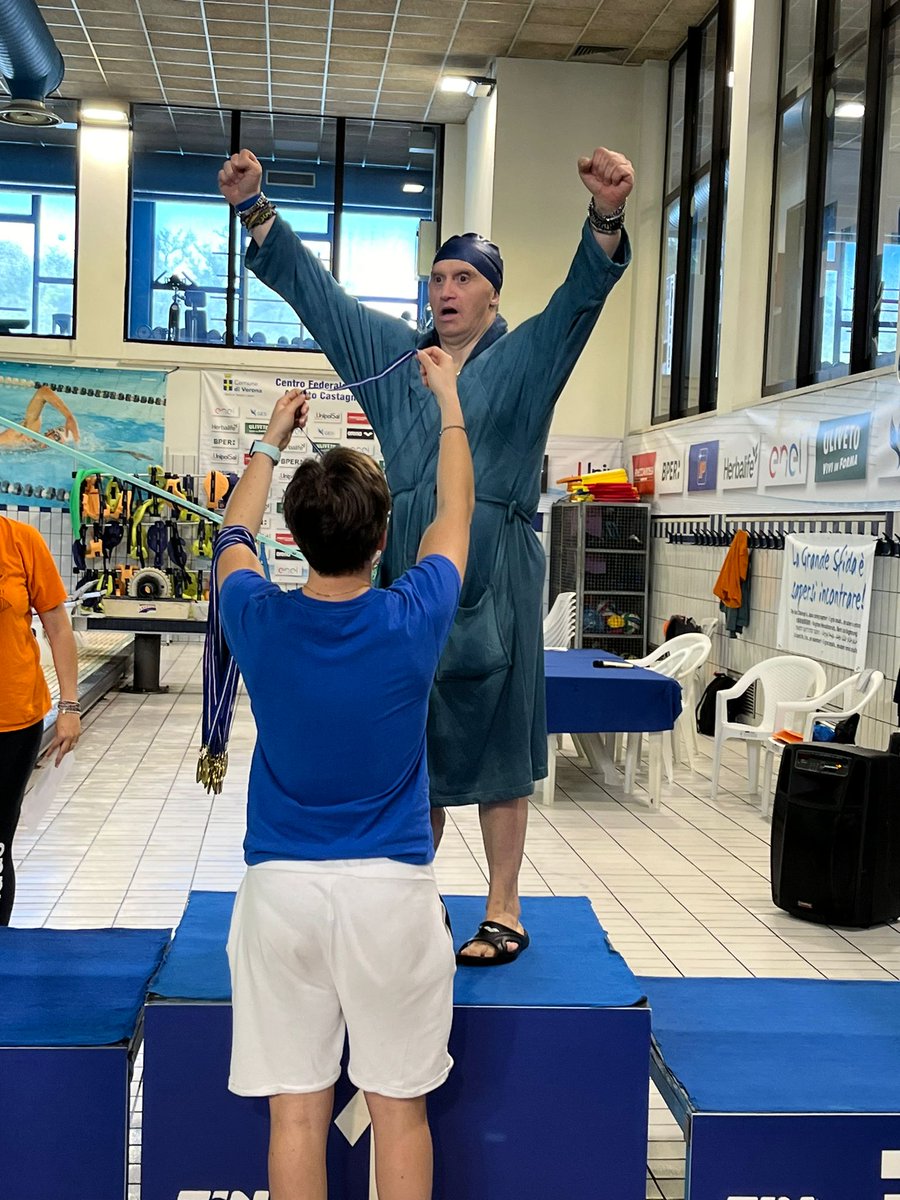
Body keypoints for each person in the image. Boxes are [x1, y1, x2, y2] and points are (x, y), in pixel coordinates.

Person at [219, 144, 633, 963]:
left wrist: (606, 218)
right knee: (418, 733)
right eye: (437, 279)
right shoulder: (398, 360)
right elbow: (323, 302)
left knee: (504, 741)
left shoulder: (525, 359)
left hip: (497, 565)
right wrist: (256, 209)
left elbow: (580, 301)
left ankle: (505, 905)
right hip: (413, 563)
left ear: (492, 293)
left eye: (463, 279)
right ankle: (413, 893)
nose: (445, 291)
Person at [216, 346, 473, 1200]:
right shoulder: (414, 618)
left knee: (298, 1112)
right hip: (391, 896)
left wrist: (268, 441)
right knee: (399, 1111)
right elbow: (459, 514)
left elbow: (231, 536)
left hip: (281, 891)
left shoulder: (255, 616)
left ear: (296, 535)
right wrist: (449, 405)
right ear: (383, 536)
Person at [0, 514, 80, 925]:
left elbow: (59, 630)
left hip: (13, 722)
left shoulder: (21, 541)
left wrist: (69, 706)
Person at [0, 384, 80, 448]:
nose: (50, 433)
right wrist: (69, 417)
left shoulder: (32, 448)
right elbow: (43, 392)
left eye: (56, 437)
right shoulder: (30, 432)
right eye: (54, 431)